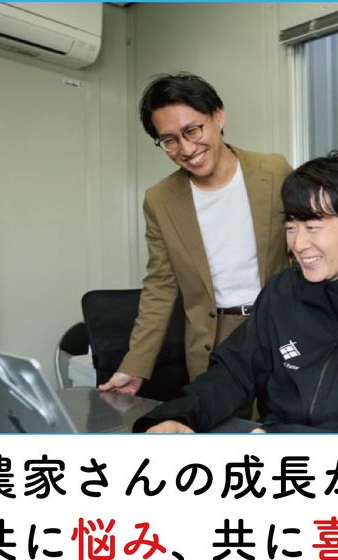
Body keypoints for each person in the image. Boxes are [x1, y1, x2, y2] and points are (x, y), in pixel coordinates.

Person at [133, 151, 338, 434]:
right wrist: (179, 416)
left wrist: (292, 441)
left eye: (313, 227)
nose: (298, 244)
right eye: (291, 227)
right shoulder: (283, 290)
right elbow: (233, 371)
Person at [100, 73, 291, 402]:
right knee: (219, 428)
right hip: (213, 340)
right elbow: (160, 287)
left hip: (280, 326)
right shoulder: (160, 200)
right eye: (169, 140)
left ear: (218, 116)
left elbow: (305, 251)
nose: (186, 149)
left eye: (192, 130)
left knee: (285, 423)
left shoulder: (274, 171)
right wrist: (135, 365)